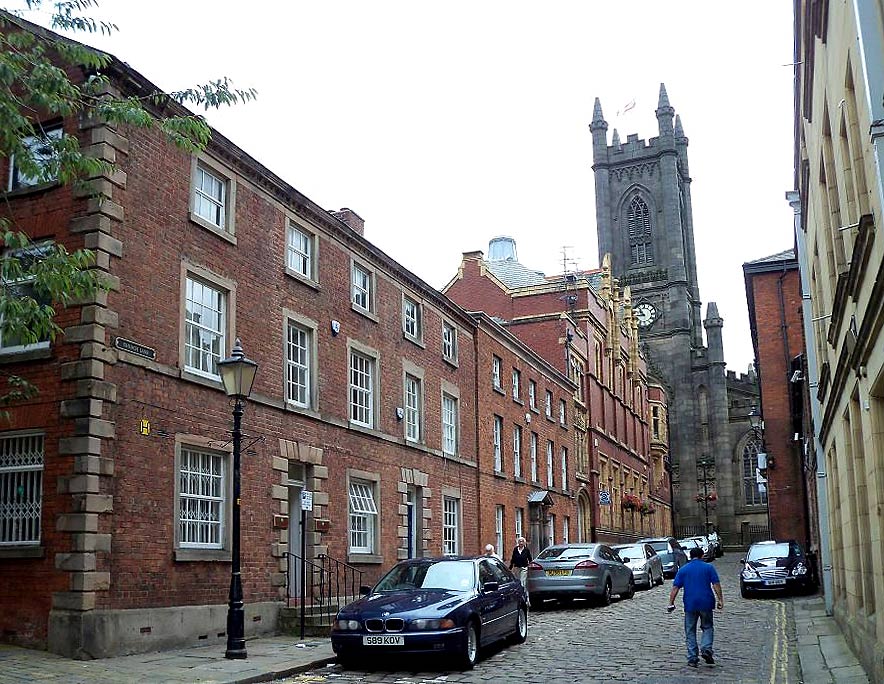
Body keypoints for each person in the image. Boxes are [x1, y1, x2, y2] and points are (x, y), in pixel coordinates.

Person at [667, 546, 723, 667]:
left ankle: (692, 657)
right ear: (702, 555)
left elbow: (675, 587)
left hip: (690, 603)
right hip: (706, 602)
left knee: (690, 630)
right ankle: (706, 648)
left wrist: (671, 603)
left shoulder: (683, 569)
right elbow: (716, 584)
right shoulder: (708, 567)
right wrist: (720, 600)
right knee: (707, 627)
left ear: (690, 556)